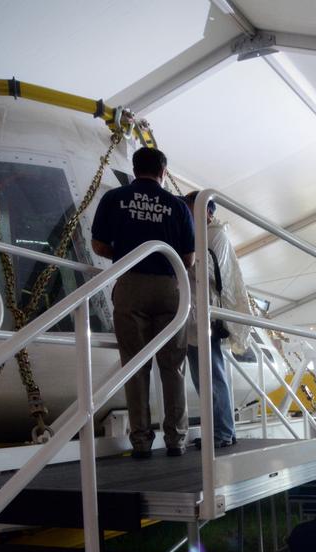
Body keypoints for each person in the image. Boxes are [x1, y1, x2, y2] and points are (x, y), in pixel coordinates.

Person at [91, 147, 195, 458]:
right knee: (173, 366)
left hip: (130, 285)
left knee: (135, 365)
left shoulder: (114, 198)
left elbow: (98, 245)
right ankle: (176, 440)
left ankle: (141, 442)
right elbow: (188, 259)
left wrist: (126, 254)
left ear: (134, 169)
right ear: (163, 172)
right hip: (169, 288)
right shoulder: (177, 206)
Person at [182, 191, 240, 449]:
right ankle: (224, 430)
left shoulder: (213, 236)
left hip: (204, 314)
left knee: (209, 376)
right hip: (201, 313)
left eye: (190, 209)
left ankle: (222, 432)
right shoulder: (214, 235)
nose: (187, 214)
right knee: (209, 376)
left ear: (206, 211)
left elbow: (206, 271)